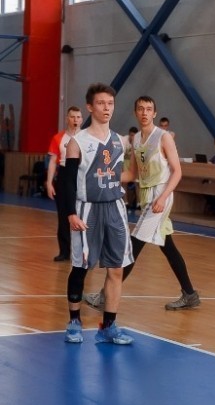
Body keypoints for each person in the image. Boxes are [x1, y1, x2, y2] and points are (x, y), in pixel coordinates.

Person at [84, 96, 201, 312]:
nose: (145, 112)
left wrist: (163, 197)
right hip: (146, 195)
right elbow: (132, 174)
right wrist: (107, 176)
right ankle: (190, 294)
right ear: (135, 112)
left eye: (149, 109)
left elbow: (177, 172)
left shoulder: (164, 137)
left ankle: (103, 296)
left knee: (132, 247)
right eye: (141, 109)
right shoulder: (136, 139)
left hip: (160, 194)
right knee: (168, 247)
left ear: (154, 113)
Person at [62, 83, 134, 345]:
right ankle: (74, 321)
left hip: (115, 207)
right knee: (81, 267)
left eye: (110, 103)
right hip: (87, 209)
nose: (107, 108)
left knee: (116, 269)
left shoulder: (119, 141)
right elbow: (67, 182)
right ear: (90, 107)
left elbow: (125, 175)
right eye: (101, 103)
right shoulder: (77, 142)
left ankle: (109, 326)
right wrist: (71, 213)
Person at [46, 106, 83, 262]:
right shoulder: (58, 137)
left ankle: (83, 251)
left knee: (82, 213)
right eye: (72, 117)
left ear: (81, 119)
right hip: (63, 174)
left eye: (78, 117)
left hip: (81, 175)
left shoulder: (87, 137)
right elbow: (53, 161)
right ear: (67, 118)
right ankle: (64, 251)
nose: (75, 120)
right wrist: (49, 183)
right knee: (63, 215)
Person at [123, 126, 139, 210]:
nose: (133, 137)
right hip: (125, 162)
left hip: (134, 163)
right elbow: (121, 156)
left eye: (134, 136)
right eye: (131, 135)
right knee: (124, 183)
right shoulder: (124, 141)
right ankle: (125, 203)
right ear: (129, 134)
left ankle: (138, 204)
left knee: (137, 183)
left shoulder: (138, 141)